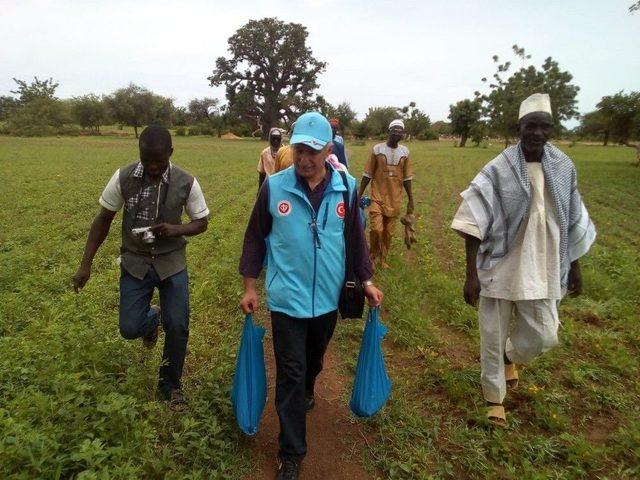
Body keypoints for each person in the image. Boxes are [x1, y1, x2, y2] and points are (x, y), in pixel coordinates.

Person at [239, 112, 383, 480]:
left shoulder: (346, 188)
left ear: (328, 150)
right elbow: (255, 236)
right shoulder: (274, 187)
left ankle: (309, 384)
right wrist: (251, 286)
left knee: (313, 361)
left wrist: (365, 281)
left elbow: (355, 238)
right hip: (287, 299)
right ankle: (291, 453)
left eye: (313, 151)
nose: (304, 159)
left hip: (327, 299)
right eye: (299, 149)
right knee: (290, 371)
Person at [450, 93, 596, 425]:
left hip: (543, 262)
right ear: (520, 127)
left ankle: (509, 355)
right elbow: (472, 220)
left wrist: (575, 266)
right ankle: (494, 398)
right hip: (500, 264)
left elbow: (572, 219)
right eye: (532, 126)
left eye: (545, 127)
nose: (538, 134)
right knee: (492, 332)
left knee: (545, 334)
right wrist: (471, 274)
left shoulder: (563, 167)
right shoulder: (499, 168)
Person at [72, 125, 209, 405]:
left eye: (159, 161)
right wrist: (85, 264)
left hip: (171, 263)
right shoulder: (123, 177)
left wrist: (175, 229)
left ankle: (170, 386)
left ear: (171, 152)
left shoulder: (186, 182)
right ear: (139, 153)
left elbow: (202, 222)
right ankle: (151, 319)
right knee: (129, 328)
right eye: (147, 161)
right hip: (135, 262)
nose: (154, 167)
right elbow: (103, 220)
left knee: (178, 324)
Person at [358, 119, 415, 268]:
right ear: (388, 131)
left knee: (388, 233)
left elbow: (407, 178)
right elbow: (368, 174)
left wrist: (411, 199)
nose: (397, 133)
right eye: (394, 130)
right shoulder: (377, 150)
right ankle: (372, 255)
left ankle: (383, 259)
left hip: (394, 198)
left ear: (403, 134)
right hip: (377, 197)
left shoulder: (405, 152)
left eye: (400, 131)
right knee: (377, 229)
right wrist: (359, 194)